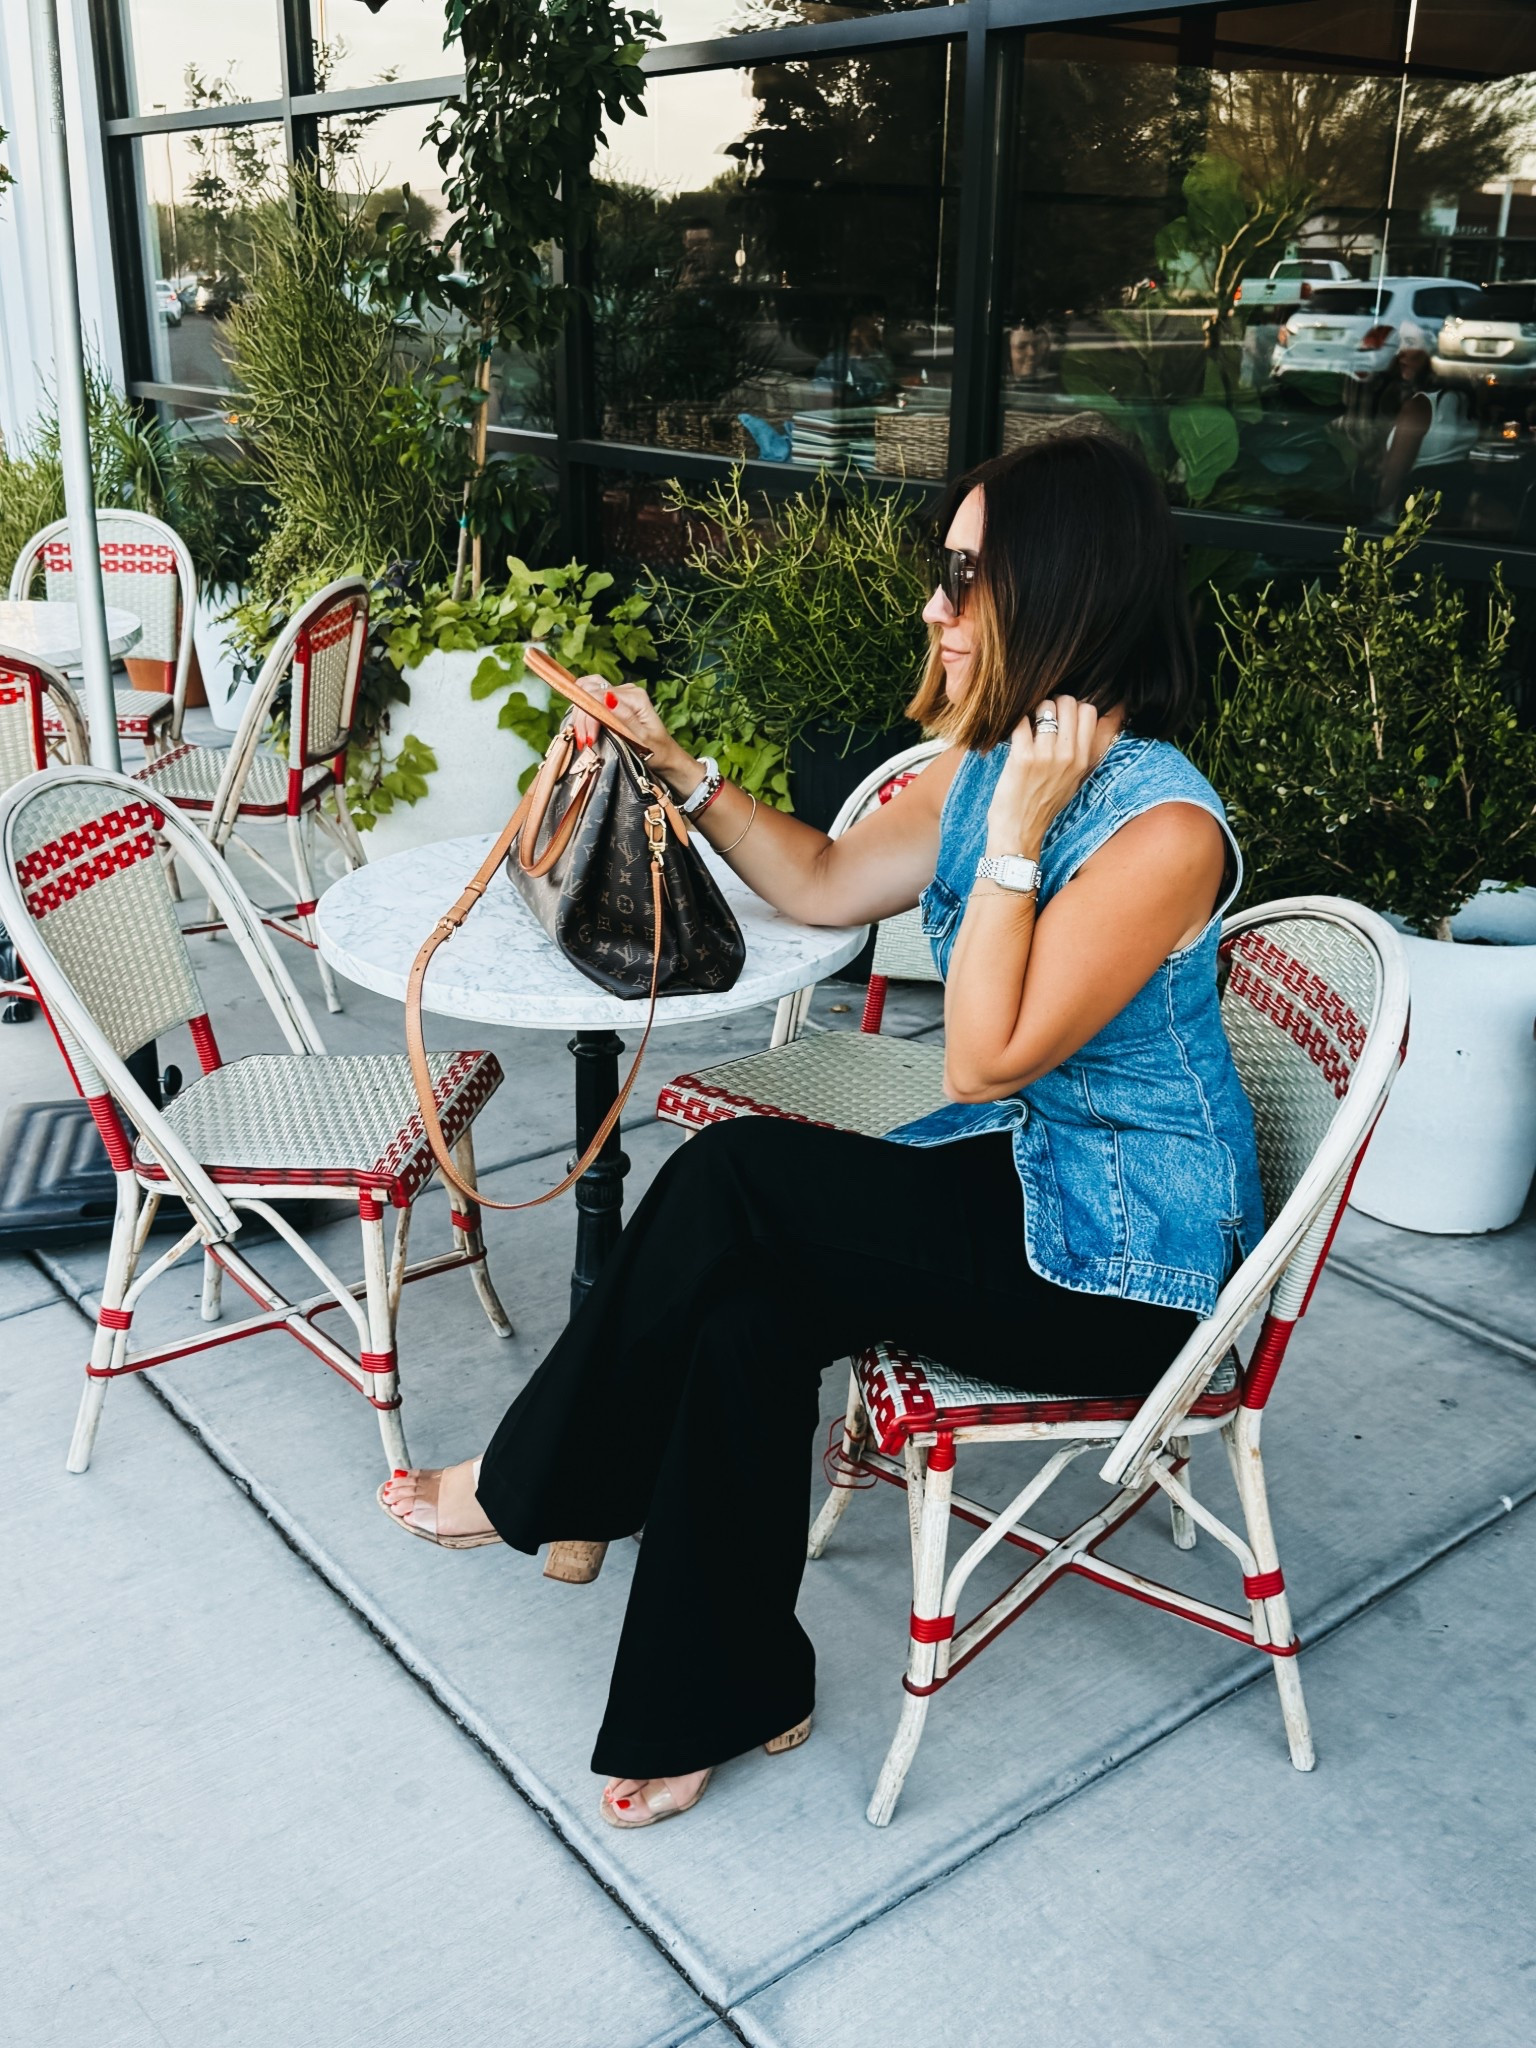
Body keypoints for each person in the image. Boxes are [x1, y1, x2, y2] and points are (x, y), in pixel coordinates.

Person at [380, 432, 1265, 1831]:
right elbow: (832, 880)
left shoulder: (1158, 830)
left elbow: (978, 1059)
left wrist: (1025, 835)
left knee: (734, 1175)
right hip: (1041, 1192)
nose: (936, 605)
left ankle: (536, 1482)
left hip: (1128, 1273)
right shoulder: (995, 762)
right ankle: (726, 1687)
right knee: (747, 1302)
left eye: (968, 576)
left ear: (1064, 588)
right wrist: (677, 766)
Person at [1374, 318, 1479, 521]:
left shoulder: (1419, 407)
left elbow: (1394, 474)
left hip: (1401, 521)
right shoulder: (1463, 398)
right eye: (1400, 343)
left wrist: (1372, 510)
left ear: (1434, 350)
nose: (1400, 352)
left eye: (1411, 343)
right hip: (1443, 516)